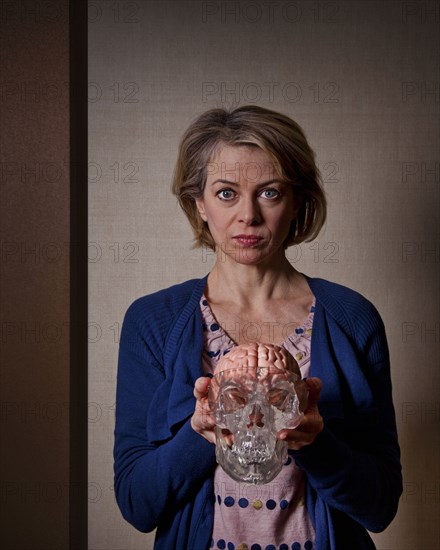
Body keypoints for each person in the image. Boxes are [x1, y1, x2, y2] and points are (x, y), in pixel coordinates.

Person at [113, 105, 402, 550]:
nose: (248, 215)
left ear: (298, 202)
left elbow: (380, 508)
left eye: (269, 192)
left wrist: (317, 443)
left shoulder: (351, 317)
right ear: (199, 204)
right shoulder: (153, 321)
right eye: (226, 193)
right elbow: (138, 504)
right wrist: (200, 433)